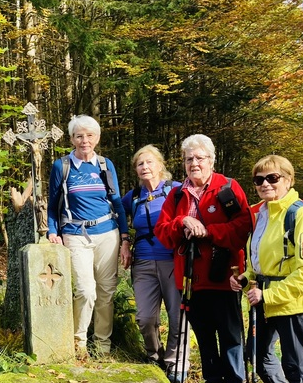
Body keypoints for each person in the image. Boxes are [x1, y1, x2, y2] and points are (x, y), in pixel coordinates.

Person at [154, 134, 252, 383]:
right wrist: (182, 221)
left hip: (224, 277)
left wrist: (209, 231)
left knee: (230, 337)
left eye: (199, 158)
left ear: (211, 160)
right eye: (188, 159)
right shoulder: (177, 194)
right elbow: (162, 232)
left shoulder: (227, 187)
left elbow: (243, 227)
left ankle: (234, 379)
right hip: (190, 280)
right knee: (205, 339)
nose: (194, 163)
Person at [230, 155, 303, 383]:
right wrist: (245, 278)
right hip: (263, 302)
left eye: (272, 178)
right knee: (258, 357)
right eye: (258, 179)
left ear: (288, 180)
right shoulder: (260, 214)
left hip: (293, 303)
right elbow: (261, 262)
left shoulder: (300, 215)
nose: (264, 184)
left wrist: (268, 295)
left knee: (297, 368)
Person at [46, 115, 130, 359]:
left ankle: (102, 344)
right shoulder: (61, 166)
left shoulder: (105, 165)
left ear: (97, 138)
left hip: (108, 233)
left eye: (90, 135)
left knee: (107, 290)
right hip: (75, 233)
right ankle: (78, 343)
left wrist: (125, 236)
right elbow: (53, 204)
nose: (85, 140)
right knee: (85, 290)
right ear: (71, 139)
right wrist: (53, 230)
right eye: (79, 136)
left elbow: (116, 201)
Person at [120, 145, 188, 382]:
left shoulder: (176, 190)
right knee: (145, 317)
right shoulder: (133, 197)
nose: (145, 167)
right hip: (144, 263)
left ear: (160, 165)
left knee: (177, 315)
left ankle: (175, 361)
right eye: (140, 164)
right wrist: (125, 242)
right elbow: (117, 216)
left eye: (149, 162)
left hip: (172, 260)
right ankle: (154, 355)